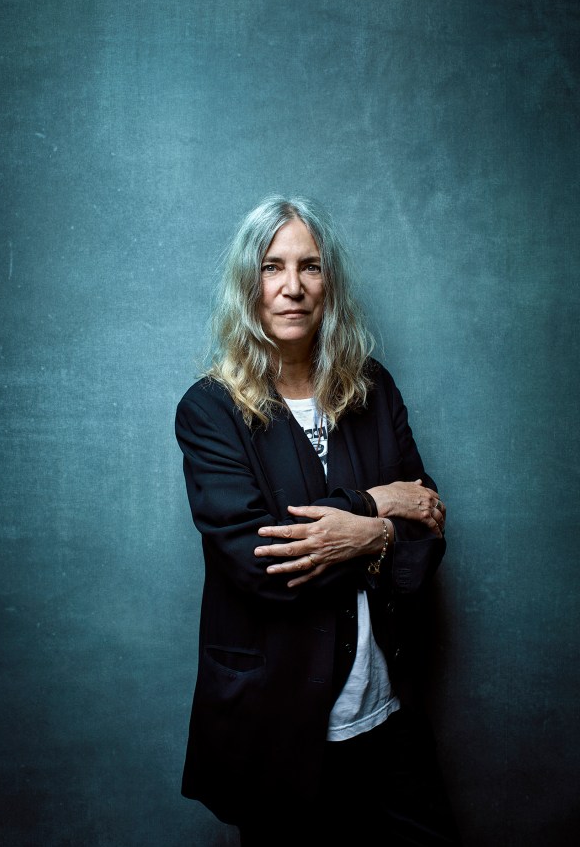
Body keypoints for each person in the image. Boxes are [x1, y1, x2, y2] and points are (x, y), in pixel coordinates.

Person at [175, 195, 460, 846]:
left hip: (385, 714)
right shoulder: (211, 410)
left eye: (310, 266)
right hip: (277, 729)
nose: (293, 286)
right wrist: (378, 505)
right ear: (249, 284)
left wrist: (377, 531)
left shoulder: (371, 387)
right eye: (273, 267)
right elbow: (266, 562)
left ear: (329, 282)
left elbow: (428, 519)